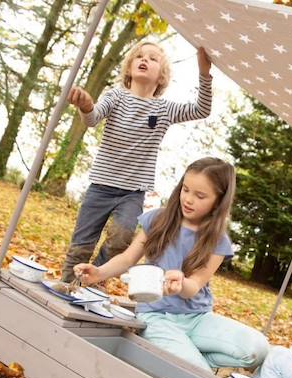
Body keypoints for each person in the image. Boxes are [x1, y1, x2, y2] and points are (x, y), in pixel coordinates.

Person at [74, 157, 269, 372]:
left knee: (257, 349)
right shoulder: (158, 219)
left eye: (200, 195)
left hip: (197, 318)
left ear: (218, 201)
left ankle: (198, 356)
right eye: (185, 189)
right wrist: (98, 272)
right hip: (155, 316)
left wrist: (181, 283)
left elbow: (194, 286)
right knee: (197, 372)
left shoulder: (218, 241)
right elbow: (128, 258)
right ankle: (195, 360)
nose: (188, 199)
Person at [62, 41, 213, 282]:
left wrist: (204, 74)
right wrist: (86, 106)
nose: (145, 60)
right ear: (129, 68)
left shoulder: (164, 109)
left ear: (162, 76)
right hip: (100, 186)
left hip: (132, 193)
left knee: (121, 239)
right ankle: (68, 283)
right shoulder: (115, 96)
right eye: (139, 56)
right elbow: (92, 119)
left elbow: (201, 109)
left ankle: (94, 282)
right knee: (82, 243)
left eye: (153, 59)